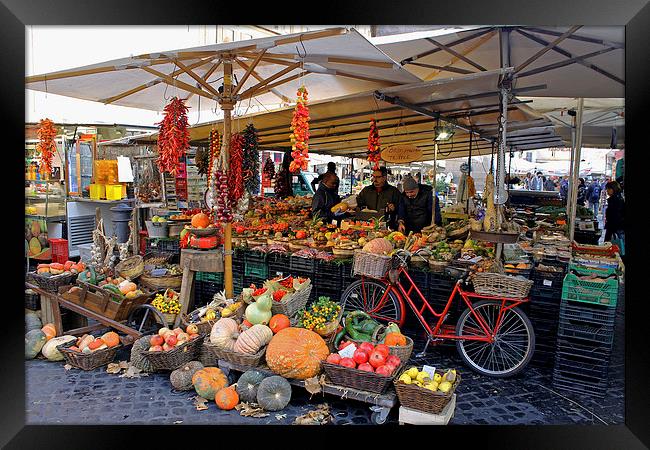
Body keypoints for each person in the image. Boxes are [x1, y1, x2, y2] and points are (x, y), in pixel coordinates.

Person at [604, 181, 624, 251]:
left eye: (608, 189)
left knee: (612, 247)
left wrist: (612, 227)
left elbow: (616, 215)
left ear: (613, 189)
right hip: (615, 226)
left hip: (615, 227)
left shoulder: (615, 200)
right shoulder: (618, 198)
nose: (607, 191)